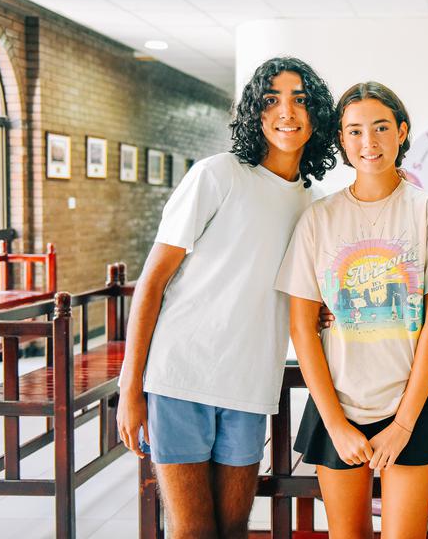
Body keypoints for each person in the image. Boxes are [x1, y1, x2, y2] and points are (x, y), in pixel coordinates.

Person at [116, 57, 336, 539]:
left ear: (317, 114)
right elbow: (151, 284)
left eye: (300, 100)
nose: (287, 111)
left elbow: (300, 294)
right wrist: (130, 390)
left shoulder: (313, 204)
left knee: (234, 529)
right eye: (272, 99)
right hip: (181, 379)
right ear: (255, 112)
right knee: (193, 531)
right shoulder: (218, 175)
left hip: (250, 387)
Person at [275, 81, 428, 539]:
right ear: (342, 140)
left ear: (402, 132)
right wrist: (336, 424)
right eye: (355, 131)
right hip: (338, 408)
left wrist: (404, 423)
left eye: (381, 128)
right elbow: (302, 329)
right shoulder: (318, 218)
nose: (369, 142)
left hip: (412, 405)